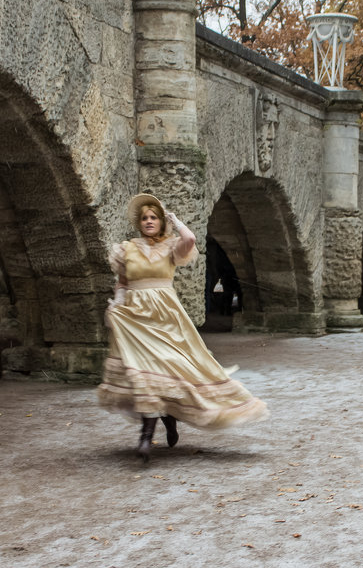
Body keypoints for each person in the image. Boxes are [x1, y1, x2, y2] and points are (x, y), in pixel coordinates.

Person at [97, 193, 269, 463]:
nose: (149, 221)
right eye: (145, 218)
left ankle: (169, 418)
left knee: (170, 369)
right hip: (137, 319)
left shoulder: (171, 246)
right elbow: (122, 282)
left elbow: (190, 240)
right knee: (145, 375)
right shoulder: (127, 249)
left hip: (166, 318)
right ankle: (145, 438)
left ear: (160, 221)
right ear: (139, 223)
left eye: (154, 217)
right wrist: (117, 302)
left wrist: (174, 220)